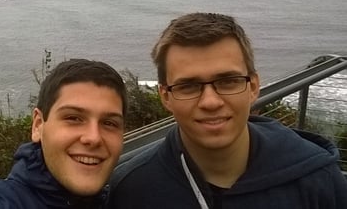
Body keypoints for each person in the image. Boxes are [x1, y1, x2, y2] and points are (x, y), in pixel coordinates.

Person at [108, 12, 347, 209]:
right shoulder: (131, 190)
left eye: (228, 81)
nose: (210, 102)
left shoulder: (317, 180)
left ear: (253, 87)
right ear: (166, 96)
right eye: (188, 86)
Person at [0, 58, 127, 208]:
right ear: (38, 125)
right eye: (73, 118)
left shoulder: (124, 200)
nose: (93, 137)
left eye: (109, 123)